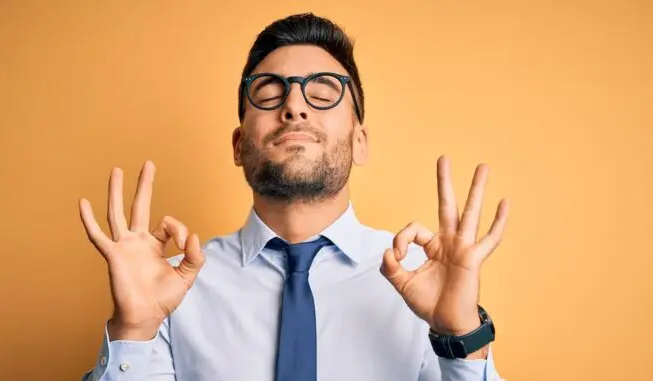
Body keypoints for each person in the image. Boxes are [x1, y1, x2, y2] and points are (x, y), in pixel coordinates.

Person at [79, 12, 509, 381]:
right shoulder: (168, 290)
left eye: (322, 94)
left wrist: (461, 336)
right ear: (238, 146)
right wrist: (133, 331)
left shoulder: (423, 283)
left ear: (360, 142)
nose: (295, 107)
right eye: (269, 94)